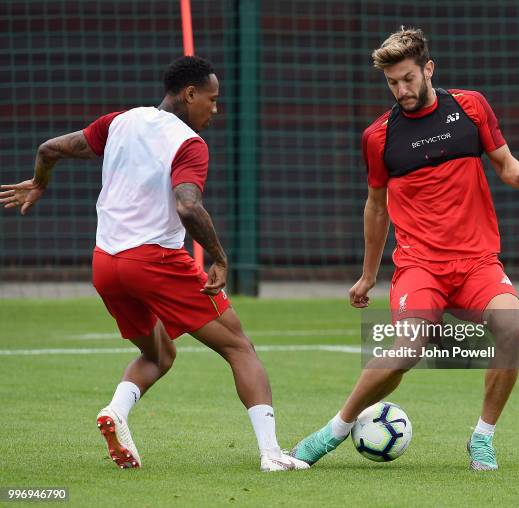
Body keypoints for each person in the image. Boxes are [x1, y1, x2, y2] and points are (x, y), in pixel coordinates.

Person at [0, 56, 308, 473]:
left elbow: (49, 149)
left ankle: (116, 412)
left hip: (105, 265)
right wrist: (219, 257)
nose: (215, 110)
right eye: (212, 100)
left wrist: (39, 183)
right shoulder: (189, 143)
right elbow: (187, 206)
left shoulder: (119, 122)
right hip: (154, 261)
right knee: (240, 347)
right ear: (190, 94)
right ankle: (272, 453)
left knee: (160, 354)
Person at [291, 28, 519, 471]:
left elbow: (504, 164)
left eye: (408, 78)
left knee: (514, 328)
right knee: (407, 349)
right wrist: (369, 274)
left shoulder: (470, 107)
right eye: (392, 82)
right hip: (419, 267)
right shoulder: (379, 136)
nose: (402, 90)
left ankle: (482, 438)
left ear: (429, 69)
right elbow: (376, 207)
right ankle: (333, 430)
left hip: (476, 262)